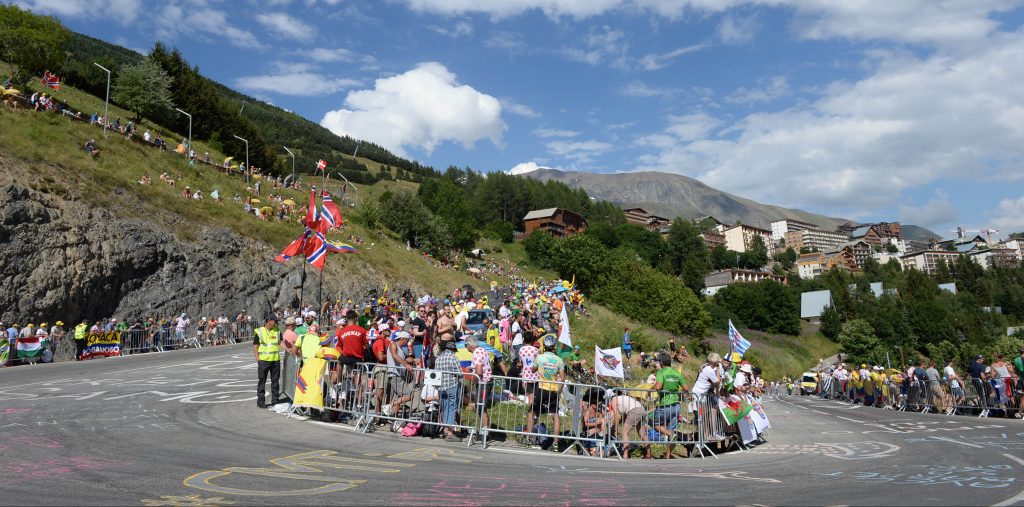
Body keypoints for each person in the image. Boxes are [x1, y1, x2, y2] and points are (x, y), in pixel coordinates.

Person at [526, 335, 565, 448]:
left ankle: (529, 438)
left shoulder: (540, 357)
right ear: (553, 347)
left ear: (544, 346)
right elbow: (562, 377)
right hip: (553, 389)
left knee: (531, 412)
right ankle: (556, 443)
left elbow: (533, 370)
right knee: (555, 414)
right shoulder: (559, 360)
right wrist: (559, 391)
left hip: (542, 388)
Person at [652, 352, 685, 458]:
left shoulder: (661, 372)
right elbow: (686, 388)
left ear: (661, 362)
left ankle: (671, 435)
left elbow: (658, 386)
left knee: (655, 424)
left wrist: (649, 390)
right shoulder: (677, 373)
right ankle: (667, 455)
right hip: (676, 405)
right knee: (671, 430)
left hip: (665, 405)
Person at [434, 340, 462, 442]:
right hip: (452, 385)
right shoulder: (453, 357)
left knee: (445, 408)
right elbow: (460, 373)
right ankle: (450, 432)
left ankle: (446, 430)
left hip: (441, 387)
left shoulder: (438, 359)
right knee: (451, 408)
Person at [252, 317, 281, 408]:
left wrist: (289, 349)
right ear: (269, 321)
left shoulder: (277, 330)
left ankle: (275, 399)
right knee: (262, 381)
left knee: (275, 381)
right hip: (264, 361)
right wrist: (258, 359)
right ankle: (261, 401)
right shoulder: (259, 331)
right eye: (274, 321)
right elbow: (255, 346)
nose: (276, 323)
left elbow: (281, 343)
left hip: (275, 360)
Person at [467, 335, 493, 430]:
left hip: (484, 382)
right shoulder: (482, 350)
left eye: (466, 345)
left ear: (470, 345)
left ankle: (485, 430)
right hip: (487, 380)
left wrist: (472, 382)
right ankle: (485, 428)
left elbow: (479, 371)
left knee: (481, 406)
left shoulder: (476, 353)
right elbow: (484, 365)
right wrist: (472, 368)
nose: (466, 348)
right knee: (480, 406)